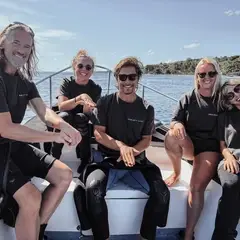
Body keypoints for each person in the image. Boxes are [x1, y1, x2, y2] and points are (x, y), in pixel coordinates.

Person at [0, 22, 81, 240]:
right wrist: (54, 136)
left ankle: (37, 229)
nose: (22, 50)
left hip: (13, 146)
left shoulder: (25, 82)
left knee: (64, 175)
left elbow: (44, 110)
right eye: (16, 42)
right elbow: (6, 128)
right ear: (2, 43)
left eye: (27, 46)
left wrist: (63, 125)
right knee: (32, 197)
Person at [77, 57, 170, 240]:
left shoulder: (147, 108)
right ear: (117, 79)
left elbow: (146, 140)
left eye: (132, 77)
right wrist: (121, 147)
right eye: (123, 77)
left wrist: (132, 152)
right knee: (93, 190)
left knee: (162, 193)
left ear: (138, 79)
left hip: (137, 162)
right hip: (107, 161)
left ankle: (145, 236)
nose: (127, 81)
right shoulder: (105, 102)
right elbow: (98, 134)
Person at [164, 58, 222, 240]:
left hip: (210, 148)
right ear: (196, 77)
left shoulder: (222, 99)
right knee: (170, 135)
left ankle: (188, 234)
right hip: (190, 145)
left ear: (217, 75)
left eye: (211, 73)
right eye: (202, 74)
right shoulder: (188, 97)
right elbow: (174, 119)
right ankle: (177, 172)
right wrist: (177, 125)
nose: (206, 78)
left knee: (196, 187)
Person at [51, 49, 102, 173]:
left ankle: (85, 159)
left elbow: (87, 112)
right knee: (63, 116)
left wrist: (87, 105)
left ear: (92, 71)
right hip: (67, 116)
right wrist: (80, 98)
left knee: (81, 117)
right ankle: (54, 157)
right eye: (80, 66)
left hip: (81, 119)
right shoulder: (67, 83)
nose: (84, 69)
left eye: (88, 67)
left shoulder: (95, 88)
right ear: (74, 66)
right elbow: (62, 106)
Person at [212, 79, 240, 240]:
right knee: (231, 184)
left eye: (238, 89)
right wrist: (229, 156)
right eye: (231, 93)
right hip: (229, 158)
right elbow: (222, 145)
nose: (236, 95)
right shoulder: (224, 117)